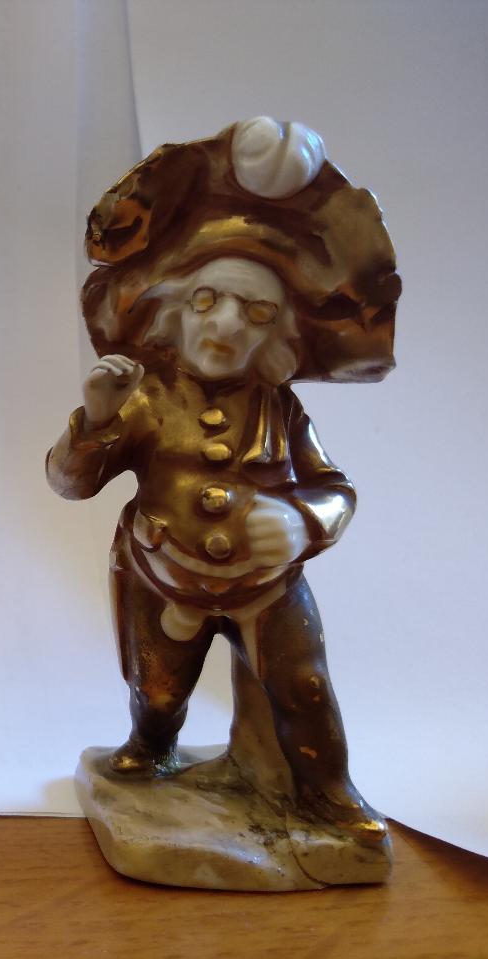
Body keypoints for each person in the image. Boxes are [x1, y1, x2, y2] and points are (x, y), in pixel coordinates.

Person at [47, 118, 400, 843]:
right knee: (157, 686)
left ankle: (329, 794)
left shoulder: (280, 409)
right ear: (175, 310)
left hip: (265, 583)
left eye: (256, 312)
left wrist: (301, 523)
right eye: (208, 302)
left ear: (277, 335)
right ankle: (151, 746)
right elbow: (69, 484)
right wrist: (96, 420)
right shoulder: (146, 397)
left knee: (303, 687)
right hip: (163, 575)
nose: (228, 325)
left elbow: (336, 490)